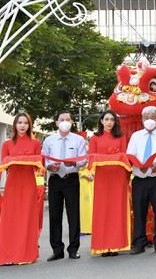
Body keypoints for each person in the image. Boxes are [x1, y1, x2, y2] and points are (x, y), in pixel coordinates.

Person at [42, 111, 87, 261]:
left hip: (71, 178)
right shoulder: (49, 140)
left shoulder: (79, 140)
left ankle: (73, 249)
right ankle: (57, 250)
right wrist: (50, 166)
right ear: (56, 123)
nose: (65, 121)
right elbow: (44, 159)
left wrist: (74, 163)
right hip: (55, 179)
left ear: (72, 122)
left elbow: (83, 160)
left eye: (68, 119)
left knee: (73, 214)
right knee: (55, 215)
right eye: (62, 119)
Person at [127, 106, 156, 254]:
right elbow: (130, 154)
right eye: (146, 118)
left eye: (152, 117)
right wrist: (139, 165)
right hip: (139, 178)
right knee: (139, 211)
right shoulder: (136, 136)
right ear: (142, 119)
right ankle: (139, 243)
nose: (149, 120)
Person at [0, 113, 42, 265]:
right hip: (12, 184)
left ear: (29, 125)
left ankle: (26, 254)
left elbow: (38, 164)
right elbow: (4, 163)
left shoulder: (36, 143)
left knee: (27, 218)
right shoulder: (7, 144)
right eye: (19, 122)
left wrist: (23, 159)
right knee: (9, 218)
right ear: (15, 125)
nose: (22, 125)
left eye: (25, 123)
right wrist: (17, 159)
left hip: (29, 184)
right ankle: (8, 255)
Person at [88, 110, 129, 256]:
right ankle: (103, 245)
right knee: (102, 210)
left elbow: (125, 156)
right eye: (107, 119)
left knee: (117, 210)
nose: (109, 122)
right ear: (101, 121)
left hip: (118, 177)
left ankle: (116, 245)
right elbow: (91, 157)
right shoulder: (95, 138)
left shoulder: (121, 137)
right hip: (102, 178)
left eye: (112, 119)